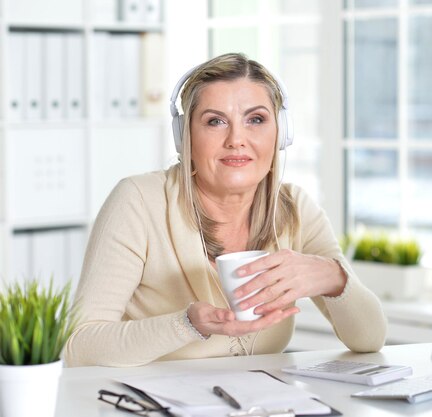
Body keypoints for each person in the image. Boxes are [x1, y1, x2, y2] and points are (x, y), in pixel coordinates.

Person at [63, 53, 387, 367]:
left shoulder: (295, 209)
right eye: (215, 121)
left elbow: (370, 339)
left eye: (255, 119)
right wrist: (186, 325)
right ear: (185, 136)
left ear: (281, 133)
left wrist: (334, 278)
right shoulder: (138, 202)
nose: (236, 139)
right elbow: (79, 346)